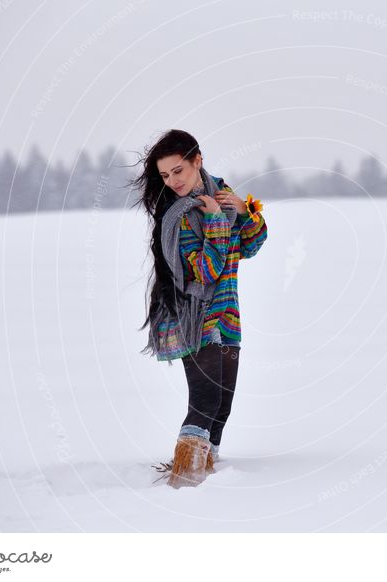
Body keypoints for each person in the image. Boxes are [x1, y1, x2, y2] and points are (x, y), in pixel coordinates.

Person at [130, 129, 268, 488]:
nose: (172, 181)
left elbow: (251, 247)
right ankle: (185, 478)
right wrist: (217, 223)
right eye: (165, 175)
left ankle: (209, 474)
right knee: (205, 399)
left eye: (178, 170)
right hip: (195, 315)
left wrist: (245, 211)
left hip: (227, 314)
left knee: (222, 404)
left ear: (197, 161)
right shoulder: (179, 217)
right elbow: (205, 272)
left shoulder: (219, 193)